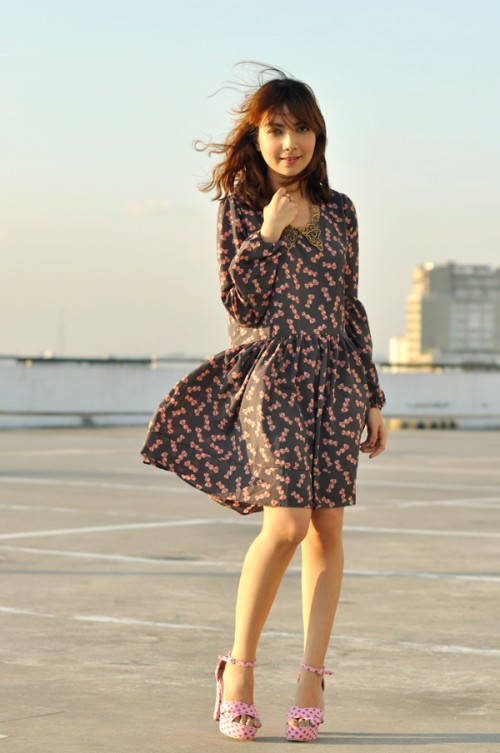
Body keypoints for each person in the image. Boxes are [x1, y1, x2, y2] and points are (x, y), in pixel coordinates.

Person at [141, 66, 387, 743]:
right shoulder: (242, 209)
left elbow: (349, 305)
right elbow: (242, 304)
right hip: (272, 378)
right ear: (257, 136)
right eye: (276, 129)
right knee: (286, 525)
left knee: (327, 528)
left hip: (335, 380)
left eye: (302, 129)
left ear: (318, 137)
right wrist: (270, 232)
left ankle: (311, 678)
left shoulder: (341, 212)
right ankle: (238, 672)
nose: (290, 142)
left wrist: (370, 394)